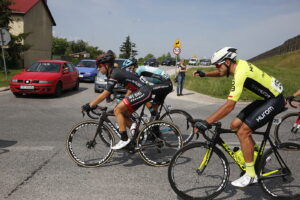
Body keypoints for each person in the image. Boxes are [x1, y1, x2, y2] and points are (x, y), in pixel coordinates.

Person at [193, 47, 285, 187]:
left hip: (274, 100)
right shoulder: (237, 65)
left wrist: (207, 122)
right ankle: (258, 157)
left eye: (218, 64)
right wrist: (205, 74)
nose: (217, 68)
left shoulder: (241, 73)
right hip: (264, 99)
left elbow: (230, 106)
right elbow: (221, 72)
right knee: (235, 125)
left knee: (243, 132)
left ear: (228, 62)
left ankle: (250, 175)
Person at [81, 50, 152, 150]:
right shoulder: (113, 72)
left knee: (117, 110)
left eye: (99, 66)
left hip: (143, 91)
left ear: (106, 65)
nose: (98, 68)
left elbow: (106, 93)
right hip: (141, 91)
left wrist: (90, 105)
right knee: (122, 113)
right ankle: (139, 136)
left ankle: (124, 138)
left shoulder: (115, 73)